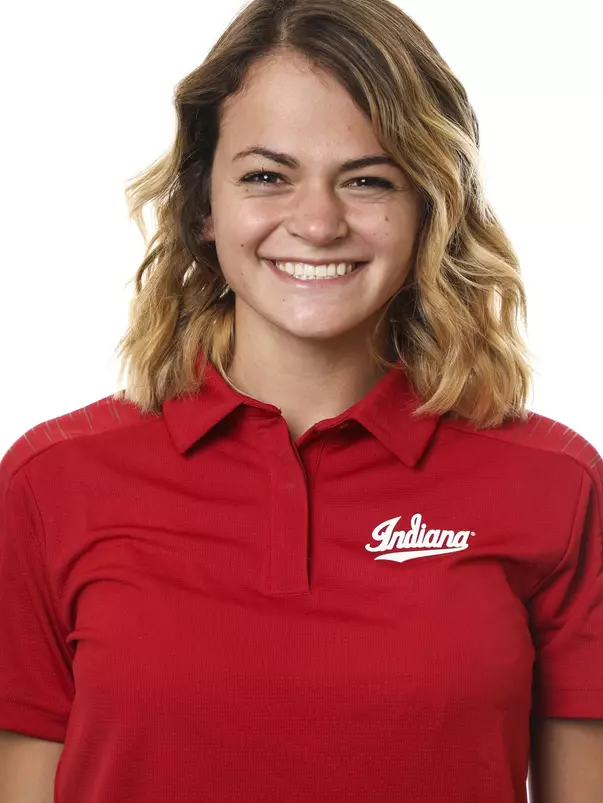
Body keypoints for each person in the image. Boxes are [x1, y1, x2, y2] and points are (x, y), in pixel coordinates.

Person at [1, 0, 602, 801]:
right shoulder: (51, 481)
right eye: (265, 176)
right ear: (203, 207)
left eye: (366, 179)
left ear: (430, 206)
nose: (316, 222)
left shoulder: (555, 483)